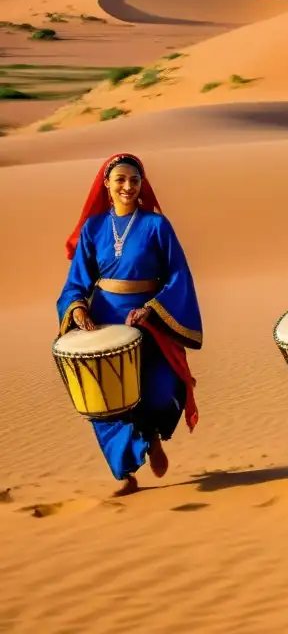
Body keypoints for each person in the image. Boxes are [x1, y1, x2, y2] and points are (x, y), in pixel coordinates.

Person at [57, 153, 203, 497]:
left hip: (148, 321)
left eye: (134, 180)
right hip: (104, 322)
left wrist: (152, 309)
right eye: (120, 179)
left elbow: (178, 276)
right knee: (105, 398)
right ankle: (125, 474)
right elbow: (76, 282)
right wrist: (77, 309)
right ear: (107, 185)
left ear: (142, 186)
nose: (127, 186)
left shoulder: (157, 226)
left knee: (160, 388)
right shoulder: (93, 229)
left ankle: (151, 437)